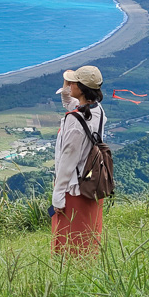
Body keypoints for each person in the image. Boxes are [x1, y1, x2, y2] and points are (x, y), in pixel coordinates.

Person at [51, 65, 106, 255]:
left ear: (81, 89)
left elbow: (67, 161)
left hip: (73, 189)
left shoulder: (75, 122)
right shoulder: (97, 110)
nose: (70, 84)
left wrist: (57, 196)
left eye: (73, 82)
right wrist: (67, 88)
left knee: (69, 241)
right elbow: (71, 105)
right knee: (88, 236)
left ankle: (68, 274)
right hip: (91, 182)